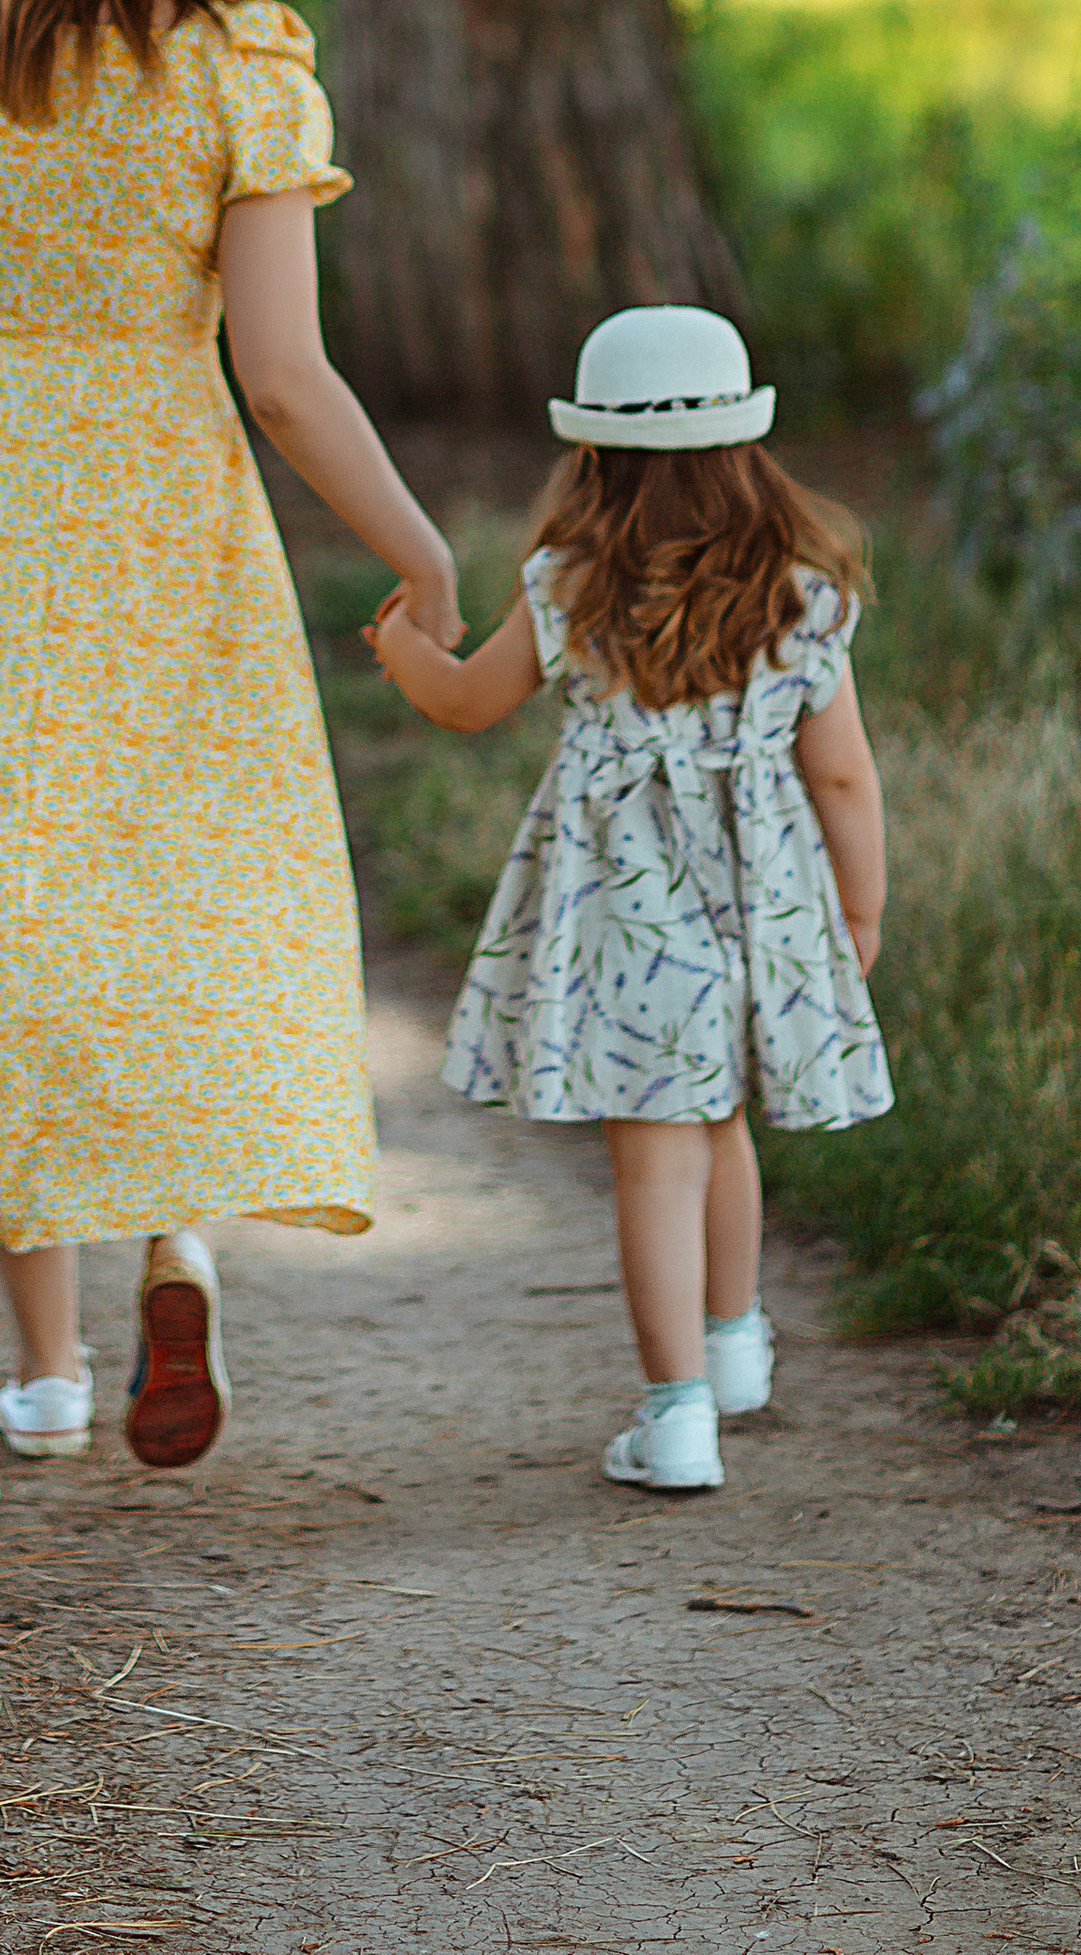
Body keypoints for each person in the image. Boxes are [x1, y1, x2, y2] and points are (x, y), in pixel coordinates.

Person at [0, 0, 461, 1471]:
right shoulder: (242, 69)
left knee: (0, 909)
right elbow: (285, 378)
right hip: (173, 502)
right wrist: (414, 545)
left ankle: (42, 1375)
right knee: (172, 881)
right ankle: (174, 1243)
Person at [366, 303, 891, 1496]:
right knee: (722, 1125)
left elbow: (462, 701)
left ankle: (676, 1417)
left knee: (654, 1157)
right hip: (761, 909)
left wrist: (401, 648)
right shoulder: (802, 595)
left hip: (628, 923)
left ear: (593, 454)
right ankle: (734, 1346)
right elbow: (844, 775)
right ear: (746, 449)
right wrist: (855, 913)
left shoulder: (572, 586)